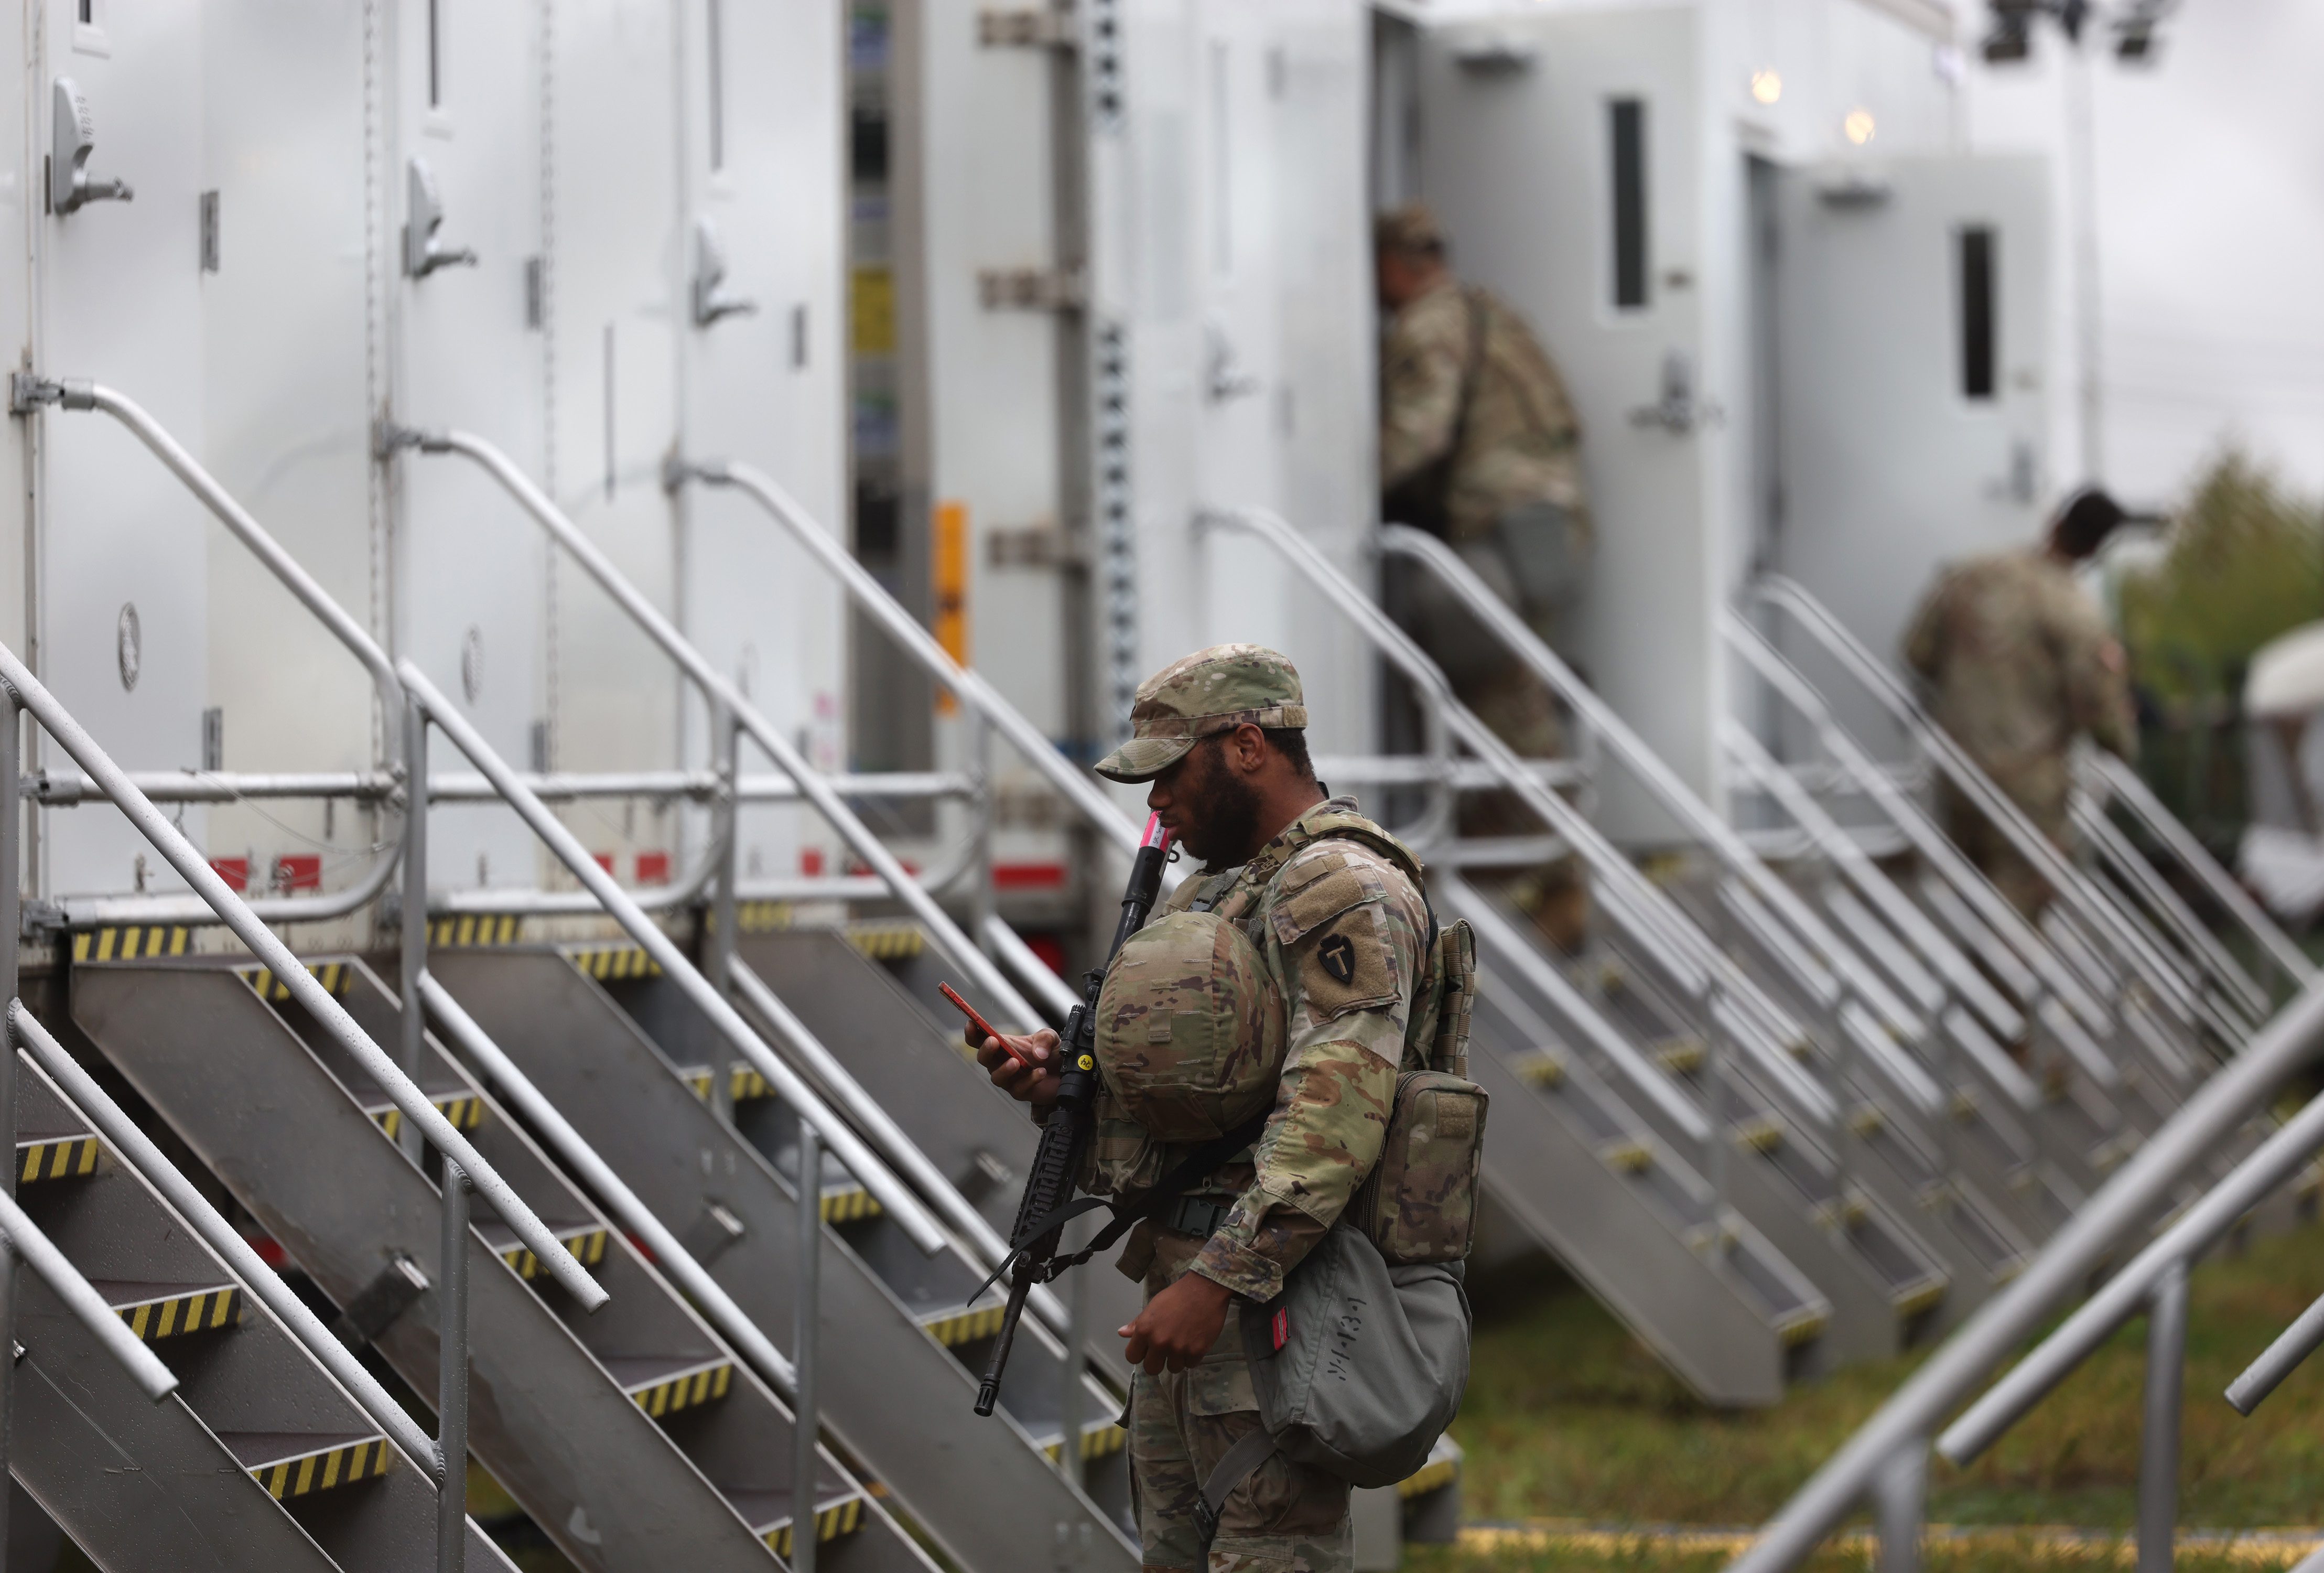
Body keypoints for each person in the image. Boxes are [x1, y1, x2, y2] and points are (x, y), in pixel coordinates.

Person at [970, 644, 1441, 1573]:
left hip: (1274, 1302)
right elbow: (1202, 1103)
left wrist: (1218, 1281)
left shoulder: (1343, 890)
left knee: (1272, 1553)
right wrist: (1064, 1087)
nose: (1156, 805)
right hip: (1194, 1305)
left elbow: (1332, 1113)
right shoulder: (1220, 892)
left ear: (1248, 746)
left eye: (1170, 774)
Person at [1375, 202, 1595, 948]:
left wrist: (1344, 490)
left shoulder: (1429, 325)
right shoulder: (1487, 311)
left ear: (1392, 266)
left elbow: (1422, 431)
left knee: (1509, 704)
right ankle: (1529, 866)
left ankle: (1557, 876)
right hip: (1546, 523)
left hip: (1498, 527)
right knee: (1513, 699)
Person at [1902, 488, 2139, 917]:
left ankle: (1973, 981)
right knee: (2017, 911)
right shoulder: (2076, 613)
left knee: (1967, 903)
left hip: (1959, 769)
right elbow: (2100, 712)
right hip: (2029, 788)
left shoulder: (1968, 575)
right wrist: (2123, 745)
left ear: (2054, 521)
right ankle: (2003, 985)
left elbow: (1917, 652)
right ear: (2094, 549)